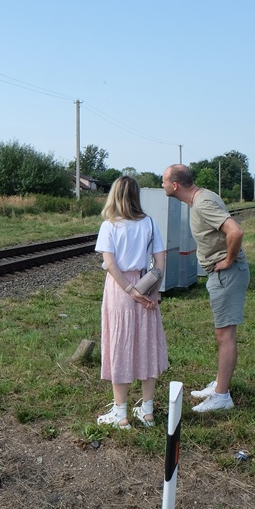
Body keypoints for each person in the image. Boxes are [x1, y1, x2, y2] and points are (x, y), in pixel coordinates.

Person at [162, 164, 250, 412]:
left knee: (225, 335)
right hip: (222, 275)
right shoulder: (202, 198)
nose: (162, 185)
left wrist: (228, 260)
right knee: (223, 334)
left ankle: (222, 397)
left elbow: (235, 232)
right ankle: (220, 385)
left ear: (175, 185)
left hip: (227, 274)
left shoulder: (202, 204)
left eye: (163, 181)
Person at [94, 176, 169, 428]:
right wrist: (153, 292)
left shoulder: (109, 226)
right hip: (146, 284)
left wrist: (129, 290)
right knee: (147, 345)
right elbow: (160, 261)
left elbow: (110, 264)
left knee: (120, 345)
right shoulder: (150, 223)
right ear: (137, 195)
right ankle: (147, 411)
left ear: (114, 195)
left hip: (119, 289)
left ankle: (121, 413)